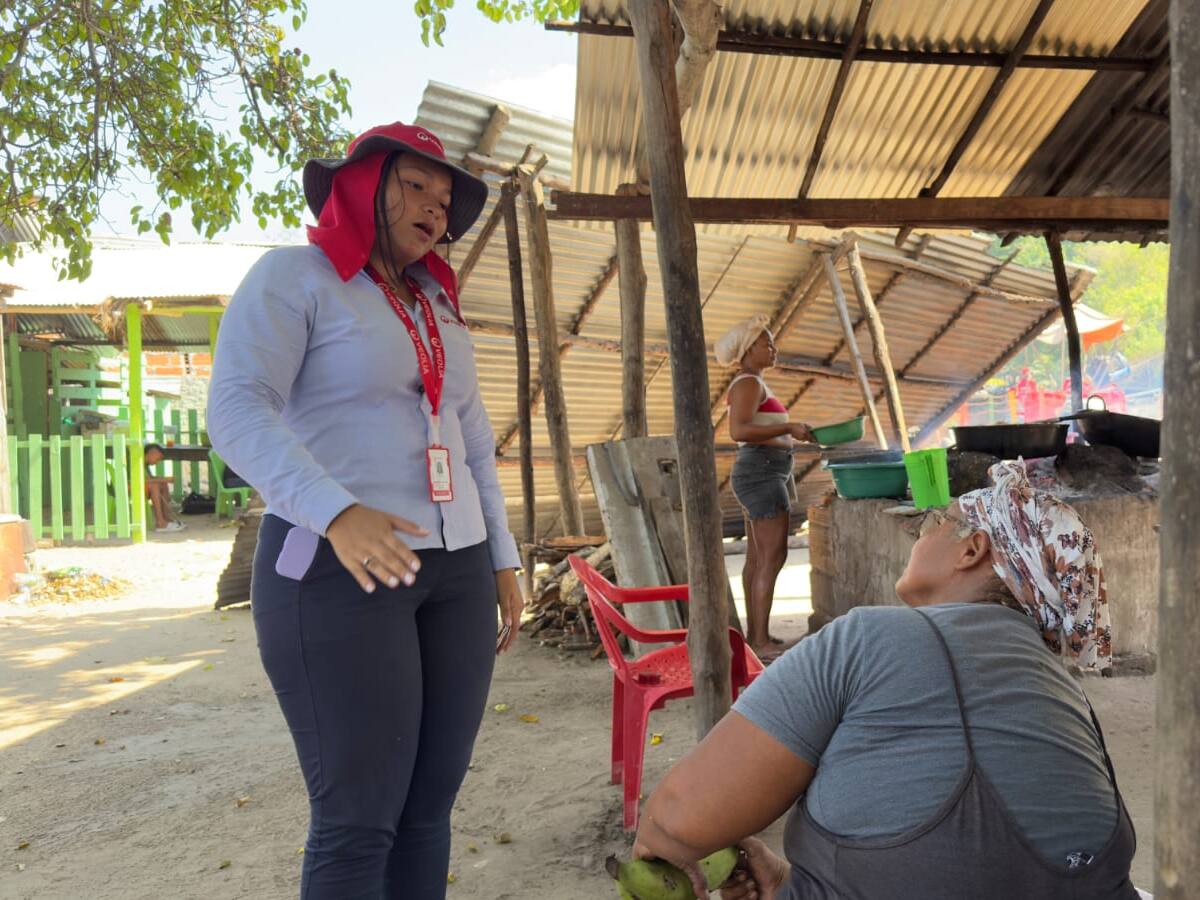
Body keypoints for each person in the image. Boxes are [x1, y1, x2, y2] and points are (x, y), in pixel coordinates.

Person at [206, 122, 523, 900]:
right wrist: (337, 511)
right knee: (357, 821)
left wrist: (504, 559)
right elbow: (237, 410)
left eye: (446, 200)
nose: (435, 208)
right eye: (416, 185)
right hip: (336, 569)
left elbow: (474, 444)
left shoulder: (437, 307)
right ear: (362, 185)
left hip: (455, 570)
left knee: (427, 811)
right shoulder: (295, 277)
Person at [630, 461, 1140, 900]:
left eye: (935, 524)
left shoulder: (867, 636)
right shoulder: (1061, 688)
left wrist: (659, 842)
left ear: (972, 550)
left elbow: (679, 819)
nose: (920, 533)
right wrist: (790, 886)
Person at [716, 316, 816, 661]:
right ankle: (759, 641)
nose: (773, 350)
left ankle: (756, 635)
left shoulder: (753, 383)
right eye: (767, 344)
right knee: (772, 557)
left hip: (762, 469)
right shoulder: (748, 384)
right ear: (748, 349)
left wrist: (788, 433)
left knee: (758, 558)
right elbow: (739, 431)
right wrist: (788, 425)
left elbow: (756, 429)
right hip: (761, 471)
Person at [143, 443, 185, 533]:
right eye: (157, 459)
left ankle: (166, 518)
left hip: (140, 486)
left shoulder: (145, 464)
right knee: (155, 486)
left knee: (163, 484)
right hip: (129, 486)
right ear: (151, 454)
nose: (157, 462)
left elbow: (149, 479)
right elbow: (141, 481)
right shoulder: (137, 461)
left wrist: (163, 480)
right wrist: (164, 479)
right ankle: (160, 523)